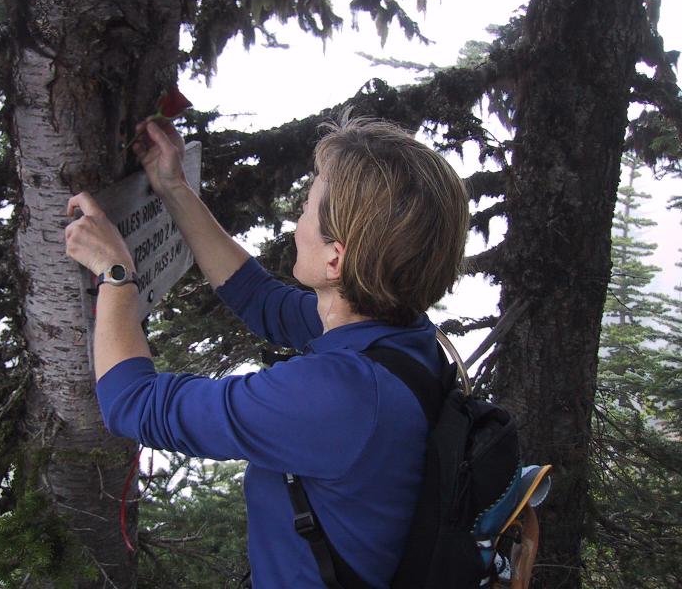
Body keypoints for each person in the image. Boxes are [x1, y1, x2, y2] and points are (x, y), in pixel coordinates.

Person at [64, 113, 469, 588]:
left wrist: (115, 274)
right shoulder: (398, 334)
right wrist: (173, 187)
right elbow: (263, 302)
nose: (297, 218)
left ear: (335, 257)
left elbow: (132, 404)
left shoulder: (341, 398)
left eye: (307, 208)